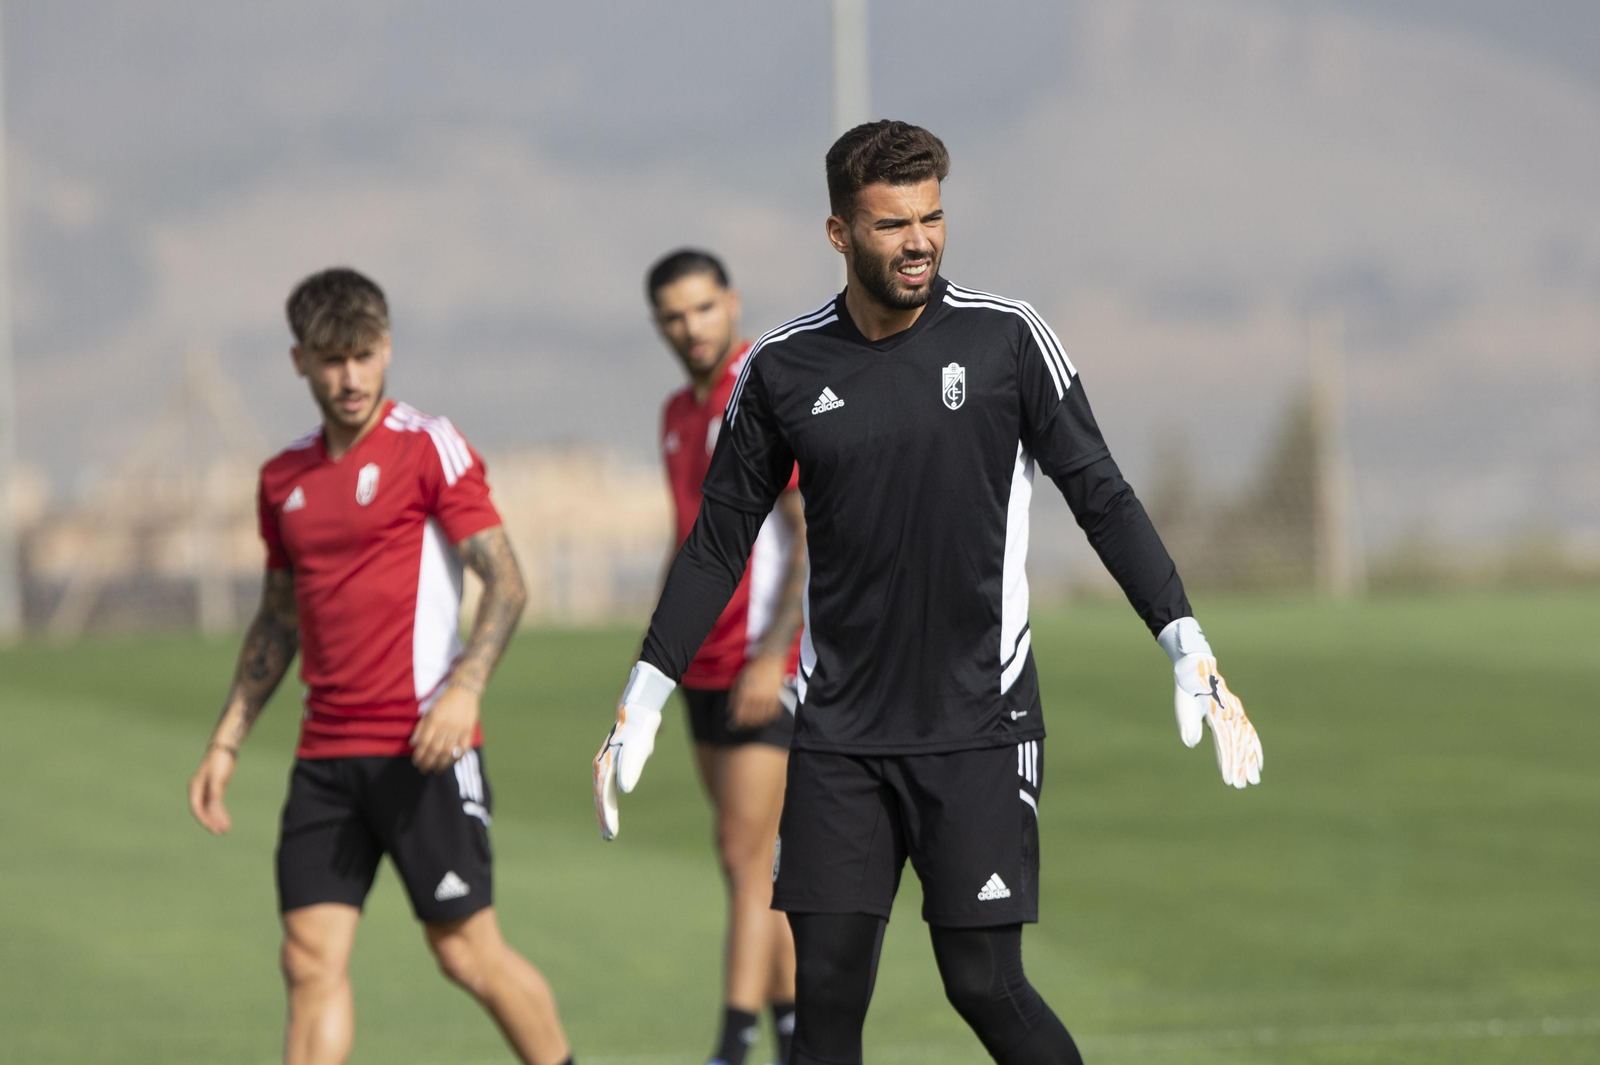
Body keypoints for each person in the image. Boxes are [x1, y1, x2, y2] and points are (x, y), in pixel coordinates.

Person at [594, 122, 1263, 1065]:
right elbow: (718, 541)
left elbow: (1103, 497)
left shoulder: (1008, 339)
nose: (919, 242)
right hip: (837, 734)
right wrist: (645, 693)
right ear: (839, 233)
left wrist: (1185, 643)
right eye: (892, 224)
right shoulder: (781, 369)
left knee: (983, 980)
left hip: (979, 722)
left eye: (932, 217)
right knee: (825, 995)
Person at [187, 267, 574, 1065]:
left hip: (423, 748)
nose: (351, 377)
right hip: (325, 759)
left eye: (363, 355)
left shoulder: (428, 446)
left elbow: (506, 581)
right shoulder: (282, 479)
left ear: (387, 347)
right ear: (300, 361)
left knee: (466, 953)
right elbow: (278, 616)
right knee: (308, 961)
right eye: (332, 360)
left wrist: (465, 690)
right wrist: (227, 738)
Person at [641, 249, 808, 1065]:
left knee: (748, 858)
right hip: (700, 669)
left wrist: (774, 653)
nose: (690, 328)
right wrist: (656, 660)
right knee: (750, 861)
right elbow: (689, 543)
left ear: (732, 302)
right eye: (673, 316)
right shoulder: (677, 412)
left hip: (761, 667)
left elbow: (810, 535)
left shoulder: (764, 388)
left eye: (703, 308)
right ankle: (796, 1037)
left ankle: (730, 1047)